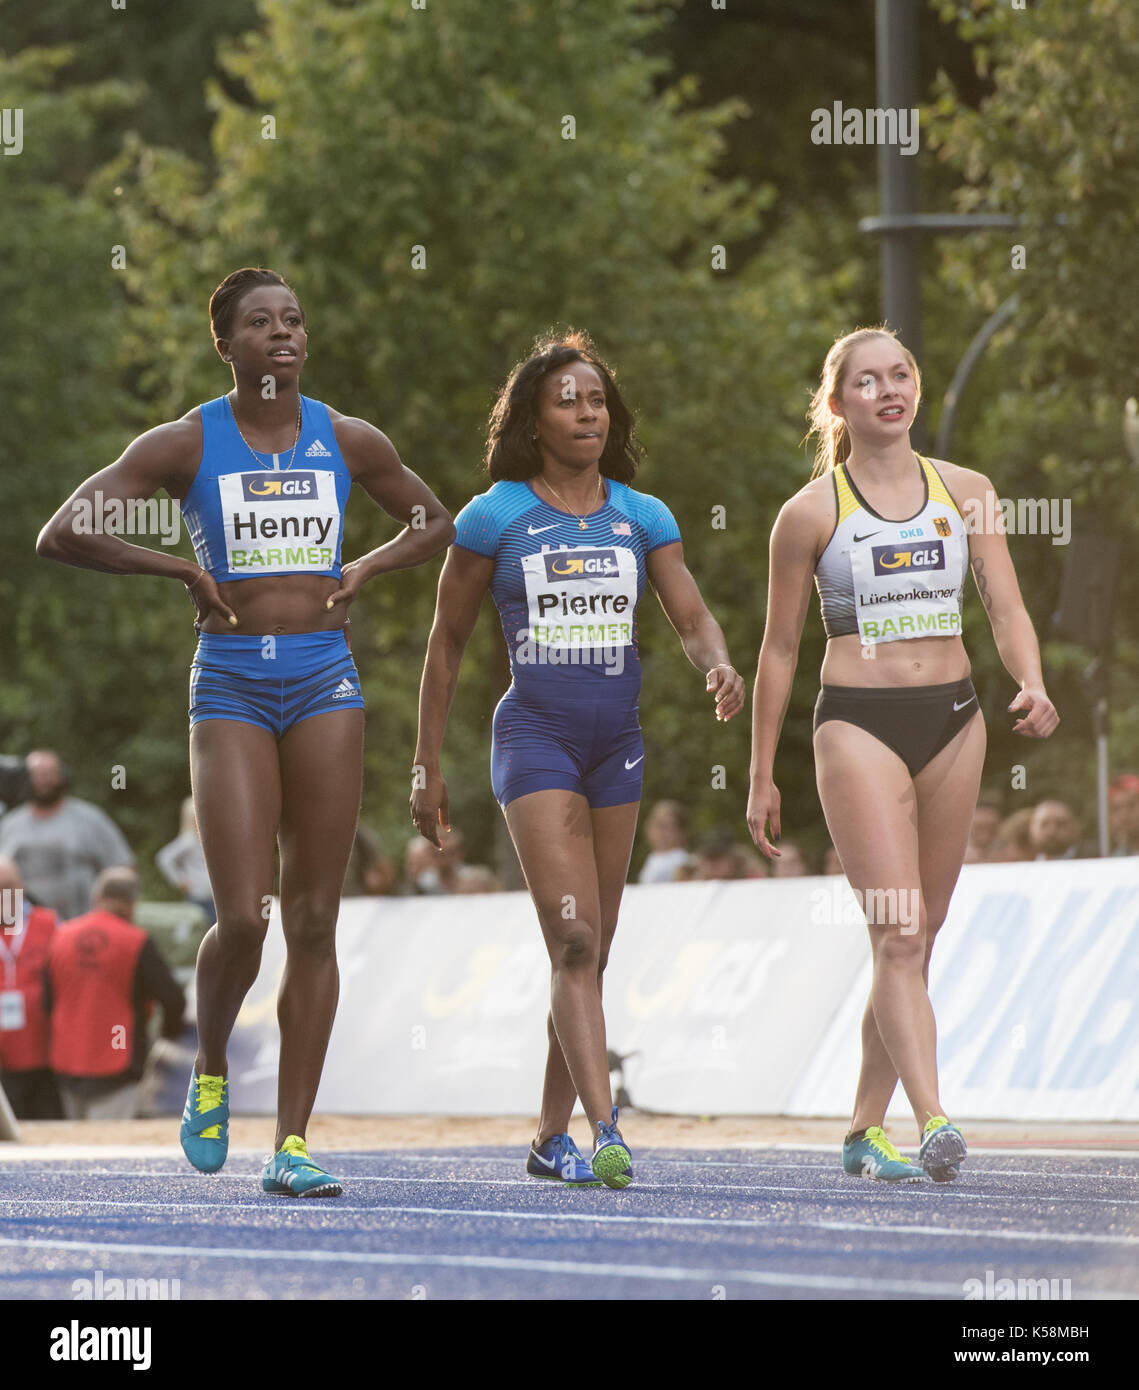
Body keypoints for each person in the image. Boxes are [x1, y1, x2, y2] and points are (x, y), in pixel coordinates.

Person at [37, 267, 453, 1194]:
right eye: (260, 323)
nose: (283, 334)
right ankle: (211, 1066)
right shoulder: (187, 442)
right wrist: (181, 571)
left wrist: (370, 565)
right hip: (230, 683)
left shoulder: (346, 437)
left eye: (294, 320)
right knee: (243, 914)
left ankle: (294, 1143)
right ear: (225, 344)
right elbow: (62, 531)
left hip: (324, 679)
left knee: (314, 916)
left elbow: (437, 519)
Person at [412, 330, 744, 1188]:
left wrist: (715, 662)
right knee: (570, 940)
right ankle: (607, 1131)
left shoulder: (644, 515)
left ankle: (547, 1137)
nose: (585, 411)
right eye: (567, 399)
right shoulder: (494, 515)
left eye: (595, 399)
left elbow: (689, 614)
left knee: (589, 953)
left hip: (616, 746)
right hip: (536, 739)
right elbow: (444, 646)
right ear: (532, 418)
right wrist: (425, 763)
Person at [747, 326, 1058, 1184]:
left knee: (915, 943)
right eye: (866, 381)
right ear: (838, 401)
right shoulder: (809, 513)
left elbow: (1004, 607)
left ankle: (860, 1128)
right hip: (856, 727)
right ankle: (933, 1120)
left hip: (955, 721)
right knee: (897, 929)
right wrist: (760, 773)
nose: (888, 390)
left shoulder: (967, 492)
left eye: (901, 375)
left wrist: (1028, 681)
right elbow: (777, 651)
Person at [46, 869, 185, 1120]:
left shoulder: (60, 935)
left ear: (96, 897)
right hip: (117, 1058)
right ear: (131, 904)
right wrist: (168, 1035)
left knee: (71, 1149)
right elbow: (173, 999)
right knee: (110, 1148)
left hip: (66, 1059)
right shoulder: (136, 940)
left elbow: (46, 1002)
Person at [0, 749, 133, 921]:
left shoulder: (90, 820)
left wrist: (113, 915)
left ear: (63, 776)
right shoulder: (10, 825)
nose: (44, 780)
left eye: (50, 773)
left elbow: (123, 868)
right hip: (27, 934)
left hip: (81, 930)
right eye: (37, 774)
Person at [0, 856, 62, 1119]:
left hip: (45, 1051)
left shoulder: (52, 924)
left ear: (22, 885)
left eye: (9, 885)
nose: (5, 893)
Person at [155, 796, 215, 922]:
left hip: (214, 896)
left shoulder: (210, 840)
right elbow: (164, 858)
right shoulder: (188, 842)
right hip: (198, 896)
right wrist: (180, 880)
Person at [637, 799, 691, 884]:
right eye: (657, 826)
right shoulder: (652, 858)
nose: (661, 833)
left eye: (666, 827)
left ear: (681, 831)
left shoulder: (681, 860)